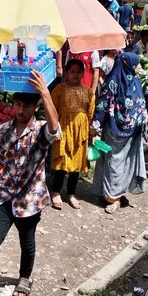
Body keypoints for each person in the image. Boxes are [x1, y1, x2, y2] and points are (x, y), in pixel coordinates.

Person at [0, 73, 60, 296]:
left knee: (26, 241)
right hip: (5, 195)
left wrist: (45, 92)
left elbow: (55, 128)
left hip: (30, 200)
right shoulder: (3, 129)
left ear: (35, 107)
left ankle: (25, 277)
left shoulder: (41, 131)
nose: (20, 110)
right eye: (17, 104)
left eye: (25, 106)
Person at [90, 52, 147, 214]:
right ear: (128, 65)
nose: (138, 68)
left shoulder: (125, 80)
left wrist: (94, 126)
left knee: (119, 162)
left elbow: (103, 105)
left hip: (124, 130)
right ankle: (114, 196)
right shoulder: (123, 82)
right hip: (123, 130)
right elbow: (103, 105)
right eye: (136, 64)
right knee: (118, 162)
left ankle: (116, 194)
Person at [50, 59, 95, 210]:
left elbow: (90, 114)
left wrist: (90, 133)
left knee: (76, 164)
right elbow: (52, 111)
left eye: (78, 72)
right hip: (63, 129)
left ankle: (71, 194)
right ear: (67, 73)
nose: (75, 75)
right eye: (72, 72)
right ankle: (55, 192)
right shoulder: (59, 89)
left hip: (80, 133)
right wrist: (54, 129)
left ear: (83, 73)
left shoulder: (88, 92)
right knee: (61, 162)